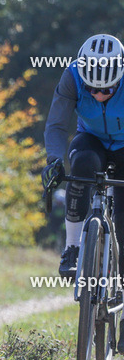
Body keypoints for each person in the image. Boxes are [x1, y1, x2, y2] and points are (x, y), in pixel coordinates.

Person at [42, 33, 124, 280]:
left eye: (107, 90)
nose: (98, 95)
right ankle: (72, 248)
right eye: (91, 89)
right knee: (81, 165)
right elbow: (57, 124)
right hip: (91, 139)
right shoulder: (72, 76)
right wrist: (54, 160)